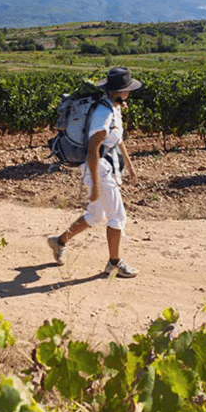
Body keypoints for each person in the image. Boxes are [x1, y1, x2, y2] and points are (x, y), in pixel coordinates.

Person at [48, 67, 141, 278]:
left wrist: (130, 166)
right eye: (126, 89)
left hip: (106, 166)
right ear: (116, 91)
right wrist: (96, 185)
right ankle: (114, 263)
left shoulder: (114, 108)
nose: (129, 92)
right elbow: (92, 149)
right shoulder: (102, 113)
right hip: (98, 167)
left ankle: (59, 241)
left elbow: (118, 139)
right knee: (117, 216)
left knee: (95, 215)